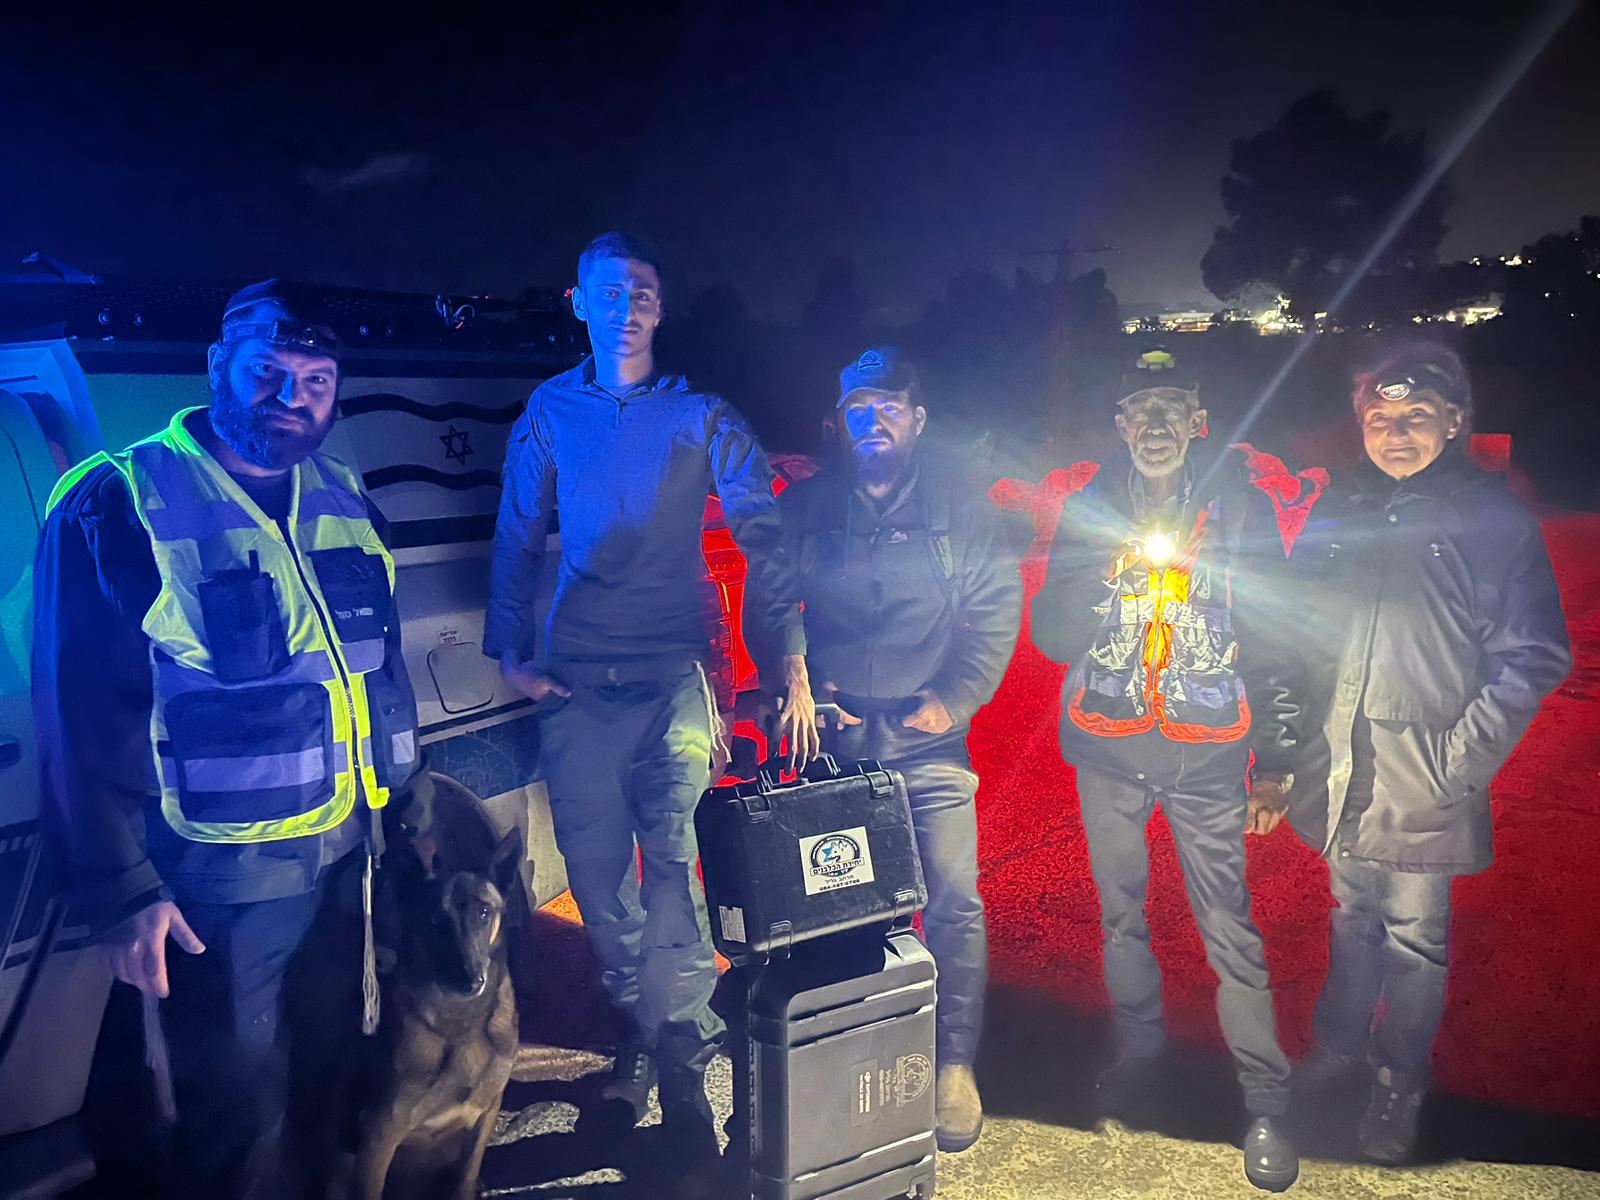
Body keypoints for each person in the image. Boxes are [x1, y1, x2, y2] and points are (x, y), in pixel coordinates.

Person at [32, 280, 429, 1199]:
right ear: (218, 365)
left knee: (331, 1087)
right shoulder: (119, 500)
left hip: (346, 865)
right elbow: (78, 714)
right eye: (269, 372)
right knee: (236, 1118)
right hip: (219, 888)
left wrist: (405, 814)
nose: (293, 397)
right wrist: (124, 891)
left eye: (317, 380)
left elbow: (376, 672)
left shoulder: (341, 492)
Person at [485, 232, 817, 1194]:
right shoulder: (550, 411)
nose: (626, 306)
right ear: (579, 303)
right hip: (577, 680)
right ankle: (643, 1029)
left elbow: (765, 534)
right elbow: (518, 530)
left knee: (672, 870)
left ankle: (682, 1076)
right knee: (600, 886)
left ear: (659, 311)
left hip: (678, 671)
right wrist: (511, 653)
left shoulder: (702, 415)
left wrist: (789, 662)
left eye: (642, 293)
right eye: (610, 292)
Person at [1286, 341, 1571, 1164]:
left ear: (1455, 421)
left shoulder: (1491, 520)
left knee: (1414, 942)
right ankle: (1338, 1050)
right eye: (1381, 418)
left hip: (1428, 775)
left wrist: (1459, 763)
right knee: (1350, 920)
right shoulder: (1345, 507)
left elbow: (1534, 655)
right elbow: (1295, 628)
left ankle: (1398, 1083)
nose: (1397, 432)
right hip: (1344, 766)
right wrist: (1291, 744)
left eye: (1417, 416)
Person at [1031, 348, 1302, 1192]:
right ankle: (1141, 1057)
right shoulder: (1088, 507)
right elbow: (1051, 637)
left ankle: (1266, 1101)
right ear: (1120, 425)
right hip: (1108, 749)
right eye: (1140, 409)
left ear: (1197, 420)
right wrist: (1098, 574)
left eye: (1171, 407)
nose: (1155, 424)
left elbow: (1279, 635)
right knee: (1121, 920)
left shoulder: (1242, 507)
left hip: (1208, 753)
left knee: (1229, 927)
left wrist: (1277, 762)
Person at [770, 346, 1021, 1152]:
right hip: (839, 744)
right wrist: (799, 673)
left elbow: (995, 610)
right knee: (838, 901)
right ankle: (854, 1052)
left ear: (916, 419)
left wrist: (953, 697)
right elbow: (774, 596)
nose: (872, 422)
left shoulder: (961, 512)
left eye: (887, 408)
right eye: (857, 409)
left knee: (954, 899)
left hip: (929, 742)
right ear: (838, 421)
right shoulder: (809, 507)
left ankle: (953, 1065)